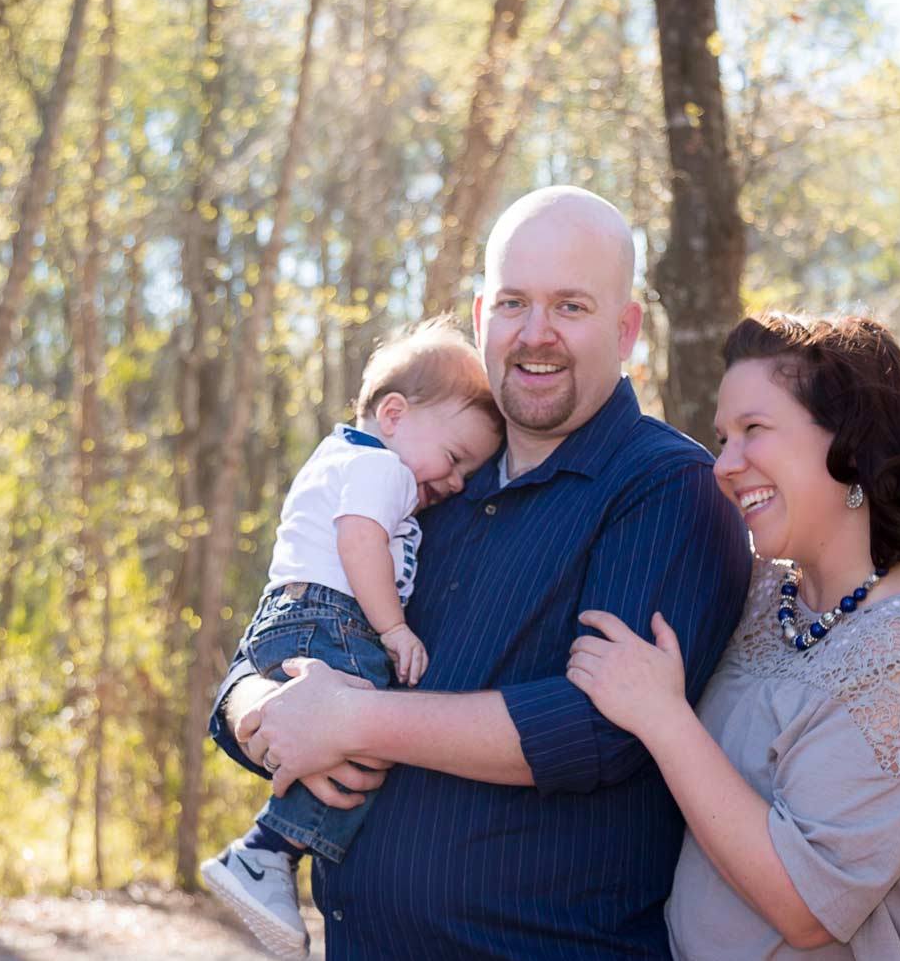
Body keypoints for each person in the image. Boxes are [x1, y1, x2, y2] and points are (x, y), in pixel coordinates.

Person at [208, 186, 752, 958]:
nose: (535, 335)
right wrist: (259, 710)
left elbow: (602, 731)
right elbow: (278, 641)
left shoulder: (665, 488)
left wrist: (354, 721)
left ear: (625, 329)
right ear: (478, 316)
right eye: (512, 303)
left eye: (570, 307)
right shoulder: (429, 476)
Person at [569, 313, 900, 960]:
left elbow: (807, 904)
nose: (723, 465)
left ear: (850, 445)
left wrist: (661, 717)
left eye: (753, 431)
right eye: (721, 438)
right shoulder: (771, 592)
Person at [200, 319, 504, 959]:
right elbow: (359, 541)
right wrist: (392, 628)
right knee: (366, 732)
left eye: (465, 477)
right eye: (453, 460)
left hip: (290, 615)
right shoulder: (383, 468)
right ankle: (264, 853)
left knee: (343, 747)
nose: (451, 484)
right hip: (333, 617)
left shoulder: (340, 455)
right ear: (393, 413)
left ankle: (268, 856)